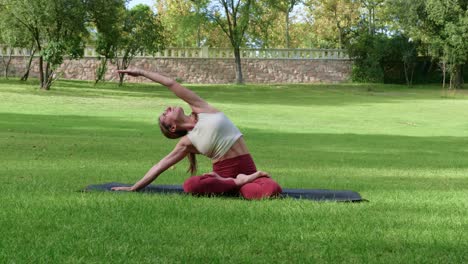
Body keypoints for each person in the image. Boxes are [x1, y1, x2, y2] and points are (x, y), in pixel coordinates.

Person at [111, 69, 282, 200]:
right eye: (165, 114)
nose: (168, 108)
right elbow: (159, 166)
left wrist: (141, 72)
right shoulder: (187, 143)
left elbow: (170, 83)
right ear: (172, 128)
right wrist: (134, 188)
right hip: (221, 177)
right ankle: (236, 183)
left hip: (247, 169)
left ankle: (238, 184)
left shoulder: (200, 108)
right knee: (190, 185)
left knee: (271, 190)